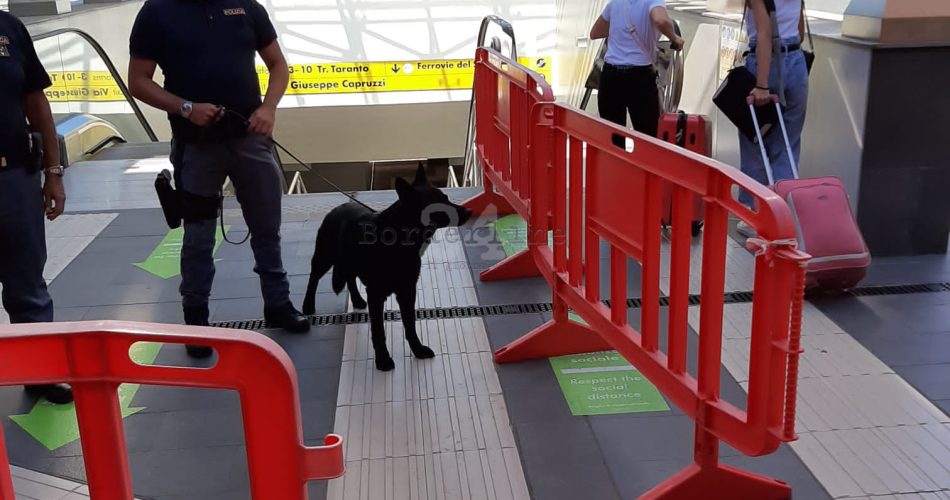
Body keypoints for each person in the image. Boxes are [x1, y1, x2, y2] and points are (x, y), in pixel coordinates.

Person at [128, 0, 309, 358]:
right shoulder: (157, 12)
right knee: (198, 237)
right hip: (196, 146)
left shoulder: (246, 7)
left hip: (250, 139)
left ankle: (278, 303)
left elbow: (277, 64)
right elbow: (138, 81)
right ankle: (196, 320)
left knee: (267, 228)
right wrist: (186, 108)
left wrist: (268, 107)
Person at [0, 11, 72, 404]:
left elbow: (35, 101)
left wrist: (53, 172)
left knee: (28, 283)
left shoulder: (9, 28)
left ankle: (40, 373)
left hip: (14, 178)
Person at [737, 0, 808, 237]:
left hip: (765, 64)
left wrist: (762, 85)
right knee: (788, 143)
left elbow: (765, 33)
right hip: (796, 62)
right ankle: (784, 216)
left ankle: (758, 217)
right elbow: (800, 32)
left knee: (754, 141)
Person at [590, 0, 684, 138]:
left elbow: (595, 33)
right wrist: (675, 38)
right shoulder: (652, 1)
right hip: (640, 77)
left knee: (613, 137)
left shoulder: (615, 3)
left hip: (610, 77)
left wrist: (619, 28)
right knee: (647, 136)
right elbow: (661, 20)